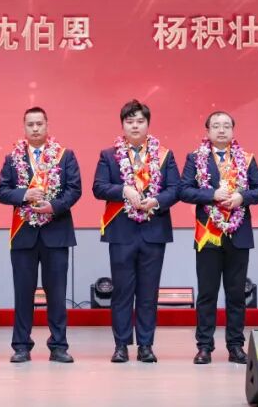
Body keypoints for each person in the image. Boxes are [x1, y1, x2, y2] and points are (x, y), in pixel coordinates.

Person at [93, 99, 180, 364]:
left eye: (140, 121)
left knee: (148, 293)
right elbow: (99, 187)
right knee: (122, 291)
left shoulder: (164, 155)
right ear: (122, 125)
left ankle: (145, 345)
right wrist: (124, 190)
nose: (135, 126)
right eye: (129, 121)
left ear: (148, 124)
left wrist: (156, 201)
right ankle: (121, 345)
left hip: (154, 230)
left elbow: (175, 189)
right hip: (121, 232)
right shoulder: (109, 155)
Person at [180, 111, 258, 365]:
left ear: (233, 131)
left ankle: (235, 346)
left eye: (226, 126)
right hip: (209, 235)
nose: (221, 130)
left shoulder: (246, 159)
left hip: (238, 235)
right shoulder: (195, 158)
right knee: (207, 294)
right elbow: (184, 190)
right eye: (216, 126)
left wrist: (242, 197)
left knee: (236, 294)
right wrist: (212, 195)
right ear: (207, 131)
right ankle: (204, 346)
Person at [0, 107, 81, 363]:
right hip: (24, 235)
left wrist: (53, 206)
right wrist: (25, 194)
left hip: (56, 233)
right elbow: (2, 192)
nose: (35, 128)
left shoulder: (65, 156)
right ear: (24, 127)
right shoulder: (13, 158)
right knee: (23, 294)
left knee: (57, 294)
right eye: (30, 124)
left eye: (39, 124)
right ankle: (21, 346)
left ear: (47, 125)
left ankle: (59, 346)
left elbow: (74, 190)